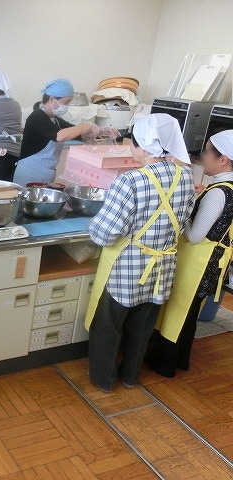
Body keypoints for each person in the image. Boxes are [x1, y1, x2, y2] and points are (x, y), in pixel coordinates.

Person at [84, 113, 195, 393]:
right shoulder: (186, 175)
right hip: (163, 269)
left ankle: (105, 380)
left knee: (108, 327)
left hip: (128, 269)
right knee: (143, 327)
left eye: (132, 143)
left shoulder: (130, 181)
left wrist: (93, 222)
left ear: (141, 146)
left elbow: (104, 234)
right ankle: (131, 377)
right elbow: (184, 224)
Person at [146, 130, 233, 378]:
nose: (202, 156)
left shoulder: (218, 193)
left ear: (223, 159)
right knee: (190, 313)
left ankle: (164, 364)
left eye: (207, 152)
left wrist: (182, 207)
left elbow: (195, 235)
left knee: (179, 311)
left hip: (199, 263)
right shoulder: (226, 187)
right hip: (215, 264)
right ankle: (180, 359)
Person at [14, 78, 100, 186]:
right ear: (52, 99)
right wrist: (87, 125)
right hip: (29, 175)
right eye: (66, 102)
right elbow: (59, 136)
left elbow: (74, 131)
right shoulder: (37, 117)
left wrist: (100, 131)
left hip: (45, 176)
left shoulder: (55, 120)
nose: (67, 106)